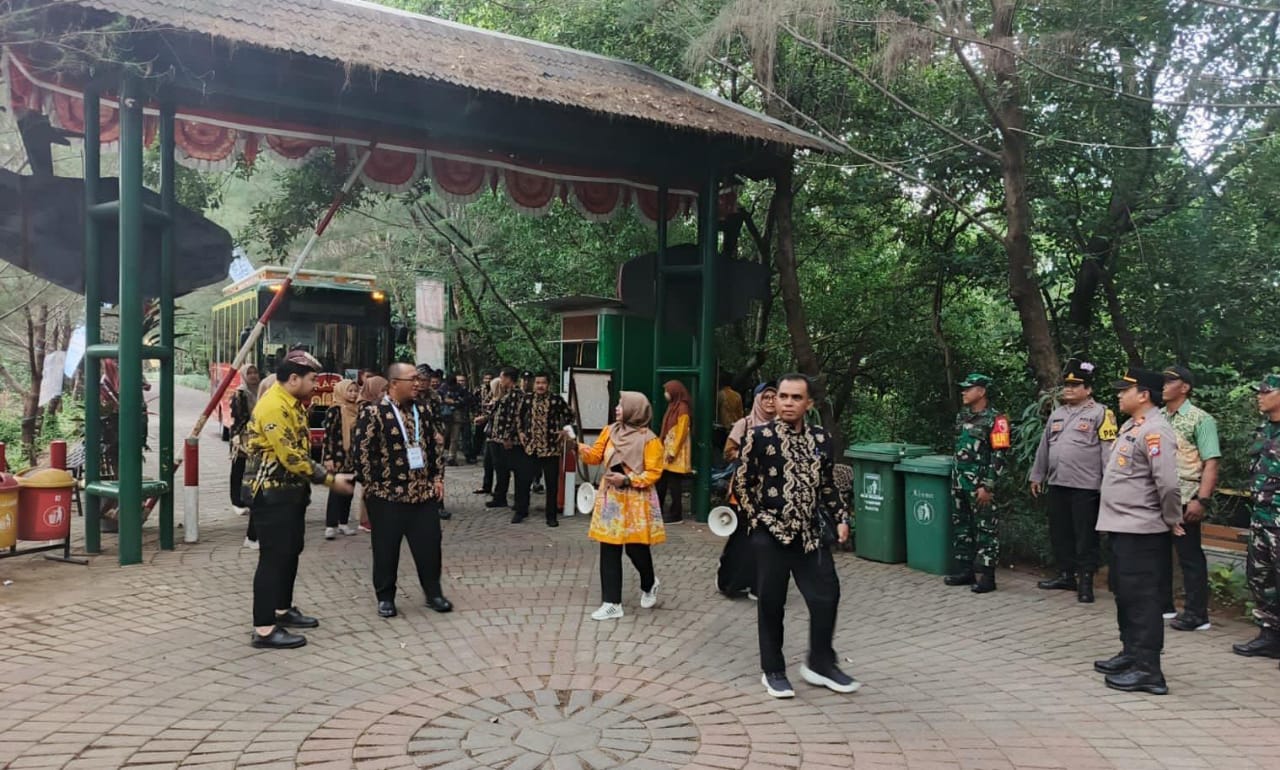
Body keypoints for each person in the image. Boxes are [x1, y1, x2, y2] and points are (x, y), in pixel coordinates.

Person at [735, 374, 856, 699]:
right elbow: (741, 483)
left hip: (810, 535)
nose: (787, 403)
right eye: (783, 396)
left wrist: (841, 517)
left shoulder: (821, 438)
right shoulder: (760, 436)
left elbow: (828, 485)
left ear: (808, 404)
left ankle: (820, 662)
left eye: (795, 398)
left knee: (826, 595)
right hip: (770, 533)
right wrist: (758, 521)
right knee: (772, 603)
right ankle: (773, 670)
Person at [242, 350, 355, 649]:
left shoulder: (292, 403)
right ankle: (264, 628)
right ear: (293, 379)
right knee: (272, 558)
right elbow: (290, 456)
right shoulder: (273, 407)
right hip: (271, 494)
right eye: (312, 379)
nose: (317, 385)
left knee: (290, 551)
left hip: (289, 493)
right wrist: (330, 480)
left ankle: (282, 609)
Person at [1092, 367, 1181, 695]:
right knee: (1125, 593)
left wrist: (1172, 519)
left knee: (1143, 599)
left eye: (1124, 390)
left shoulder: (1156, 431)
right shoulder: (1132, 426)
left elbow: (1168, 484)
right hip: (1122, 527)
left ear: (1143, 395)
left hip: (1142, 530)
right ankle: (1131, 653)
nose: (1119, 394)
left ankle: (1148, 671)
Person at [352, 362, 452, 619]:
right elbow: (361, 454)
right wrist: (372, 488)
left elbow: (434, 448)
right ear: (395, 383)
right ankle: (385, 597)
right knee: (386, 550)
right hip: (388, 498)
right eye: (413, 379)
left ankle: (433, 593)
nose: (419, 384)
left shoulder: (424, 411)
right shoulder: (373, 413)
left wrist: (437, 479)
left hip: (423, 495)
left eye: (420, 379)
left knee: (430, 547)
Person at [1029, 360, 1116, 603]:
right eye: (1067, 384)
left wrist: (1109, 486)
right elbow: (1044, 447)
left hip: (1086, 486)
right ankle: (1065, 575)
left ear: (1088, 389)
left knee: (1085, 536)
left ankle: (1086, 581)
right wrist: (1037, 475)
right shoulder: (1057, 413)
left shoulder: (1101, 413)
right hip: (1058, 483)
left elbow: (1108, 451)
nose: (1068, 389)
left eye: (1075, 385)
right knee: (1060, 532)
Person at [577, 392, 665, 621]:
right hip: (612, 499)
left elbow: (654, 472)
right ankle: (612, 602)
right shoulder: (610, 431)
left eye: (621, 404)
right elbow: (595, 456)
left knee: (636, 548)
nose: (617, 408)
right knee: (609, 548)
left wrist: (628, 480)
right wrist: (575, 445)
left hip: (637, 500)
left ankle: (649, 583)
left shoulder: (650, 440)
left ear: (634, 409)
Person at [1159, 365, 1221, 632]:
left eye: (1169, 381)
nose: (1163, 385)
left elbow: (1211, 462)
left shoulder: (1200, 419)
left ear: (1184, 387)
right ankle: (1164, 605)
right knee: (1158, 553)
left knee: (1189, 557)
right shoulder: (1158, 417)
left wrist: (1202, 499)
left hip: (1186, 498)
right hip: (1159, 498)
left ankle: (1197, 613)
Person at [945, 373, 1010, 593]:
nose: (963, 391)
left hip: (980, 485)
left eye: (968, 388)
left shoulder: (997, 420)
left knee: (986, 529)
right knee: (962, 527)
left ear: (981, 391)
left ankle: (987, 576)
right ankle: (966, 570)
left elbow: (999, 455)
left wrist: (988, 485)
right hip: (959, 483)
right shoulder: (962, 416)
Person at [1232, 374, 1280, 662]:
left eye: (1266, 391)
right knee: (1259, 577)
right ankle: (1269, 635)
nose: (1259, 396)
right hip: (1261, 518)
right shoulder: (1265, 429)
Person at [718, 382, 777, 599]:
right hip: (744, 490)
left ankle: (759, 585)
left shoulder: (784, 425)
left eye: (774, 397)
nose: (770, 401)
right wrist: (749, 455)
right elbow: (728, 452)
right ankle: (730, 581)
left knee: (768, 540)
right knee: (743, 539)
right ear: (757, 399)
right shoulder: (745, 424)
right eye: (766, 397)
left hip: (773, 492)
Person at [515, 372, 574, 526]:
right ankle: (521, 511)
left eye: (543, 383)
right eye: (537, 383)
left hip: (550, 448)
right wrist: (521, 433)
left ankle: (551, 516)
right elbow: (518, 417)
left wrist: (564, 430)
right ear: (534, 384)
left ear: (548, 385)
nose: (540, 386)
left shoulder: (556, 400)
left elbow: (570, 416)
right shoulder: (527, 399)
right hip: (531, 447)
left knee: (551, 484)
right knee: (523, 481)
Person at [321, 379, 361, 540]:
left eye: (355, 391)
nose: (353, 394)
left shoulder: (357, 410)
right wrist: (328, 457)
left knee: (349, 491)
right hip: (337, 456)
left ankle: (343, 523)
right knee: (336, 491)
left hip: (352, 457)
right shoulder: (335, 410)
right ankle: (331, 525)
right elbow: (328, 435)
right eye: (349, 391)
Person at [229, 364, 261, 550]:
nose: (253, 376)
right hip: (243, 437)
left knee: (251, 469)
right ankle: (237, 500)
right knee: (239, 468)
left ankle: (245, 498)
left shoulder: (263, 391)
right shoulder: (240, 393)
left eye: (255, 372)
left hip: (257, 437)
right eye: (249, 373)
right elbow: (238, 417)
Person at [486, 367, 525, 511]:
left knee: (511, 469)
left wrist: (508, 436)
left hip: (509, 439)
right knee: (500, 468)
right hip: (499, 437)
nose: (500, 381)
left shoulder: (515, 395)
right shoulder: (506, 394)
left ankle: (517, 500)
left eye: (502, 378)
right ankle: (499, 496)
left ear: (509, 378)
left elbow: (513, 417)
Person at [353, 376, 388, 533]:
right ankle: (365, 520)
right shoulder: (366, 407)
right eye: (382, 390)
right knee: (368, 488)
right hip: (368, 453)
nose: (384, 393)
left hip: (377, 454)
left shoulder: (377, 404)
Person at [657, 380, 692, 523]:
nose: (666, 394)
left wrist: (673, 451)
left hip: (675, 453)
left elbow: (682, 431)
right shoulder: (673, 406)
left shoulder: (682, 408)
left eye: (668, 391)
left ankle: (676, 514)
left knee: (674, 483)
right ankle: (661, 510)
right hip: (668, 451)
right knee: (663, 481)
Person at [471, 371, 494, 473]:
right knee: (478, 436)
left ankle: (488, 456)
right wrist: (476, 414)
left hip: (490, 417)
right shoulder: (478, 389)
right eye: (486, 378)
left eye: (490, 378)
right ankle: (474, 455)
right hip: (480, 416)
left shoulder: (495, 389)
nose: (488, 380)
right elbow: (473, 401)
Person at [716, 369, 745, 450]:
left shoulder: (720, 395)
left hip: (722, 429)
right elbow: (741, 413)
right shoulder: (737, 395)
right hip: (735, 428)